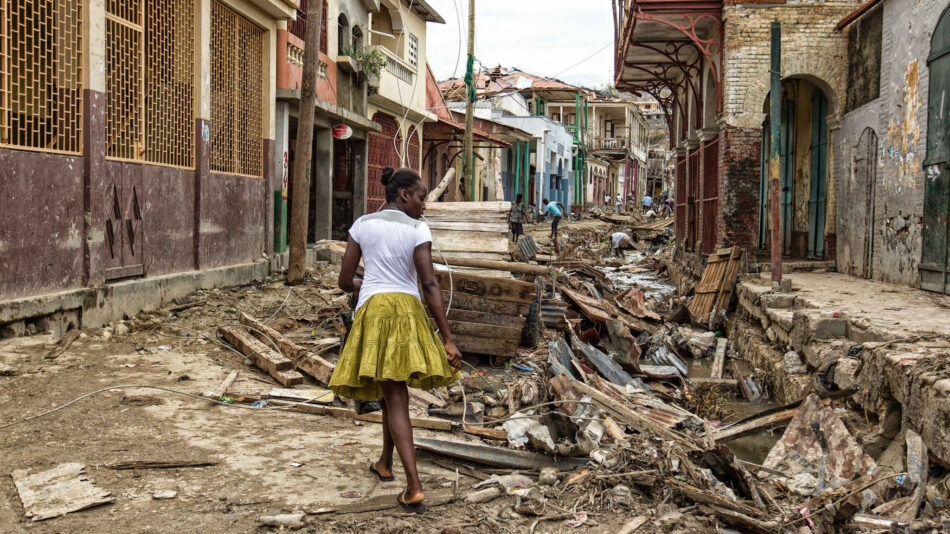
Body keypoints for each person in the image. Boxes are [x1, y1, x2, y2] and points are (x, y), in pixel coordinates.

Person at [330, 167, 462, 515]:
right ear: (403, 195)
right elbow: (430, 284)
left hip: (374, 312)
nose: (424, 205)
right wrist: (447, 339)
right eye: (421, 197)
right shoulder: (417, 228)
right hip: (407, 312)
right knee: (395, 392)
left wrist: (369, 286)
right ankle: (412, 485)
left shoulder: (362, 225)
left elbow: (345, 280)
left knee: (393, 393)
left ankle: (391, 466)